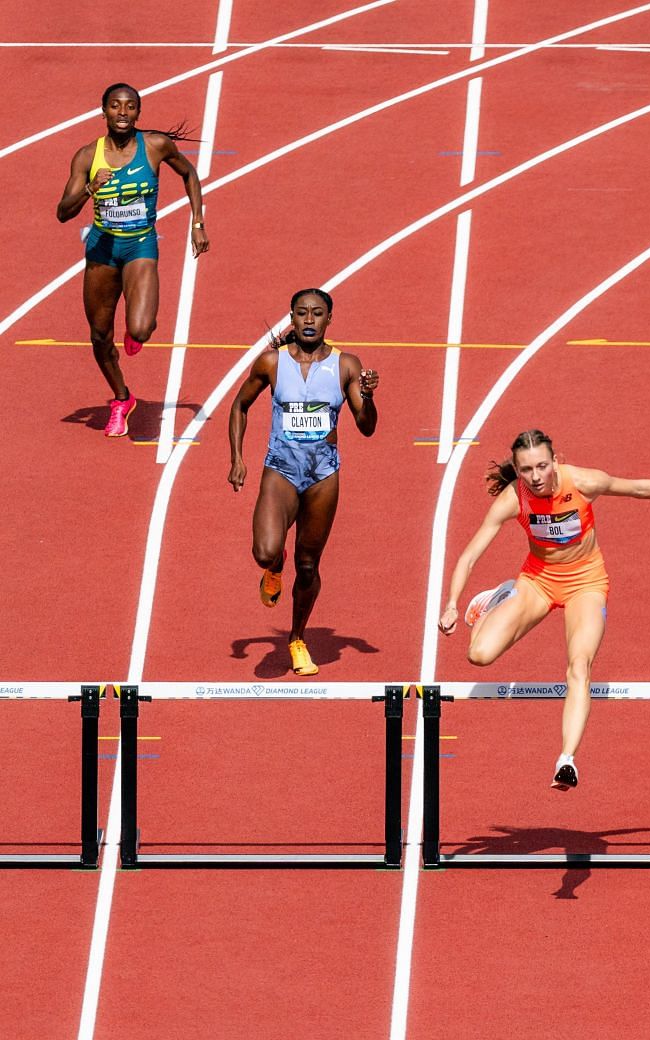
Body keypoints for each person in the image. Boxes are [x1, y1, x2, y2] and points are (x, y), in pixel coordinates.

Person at [440, 429, 650, 790]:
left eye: (543, 466)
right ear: (517, 468)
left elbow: (639, 488)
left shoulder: (584, 482)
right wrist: (452, 602)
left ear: (555, 460)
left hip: (586, 584)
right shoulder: (514, 499)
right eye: (527, 469)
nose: (537, 477)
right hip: (537, 581)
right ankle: (498, 598)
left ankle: (566, 759)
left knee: (579, 666)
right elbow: (470, 554)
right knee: (478, 655)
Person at [227, 290, 377, 676]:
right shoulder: (272, 363)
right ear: (291, 318)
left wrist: (370, 397)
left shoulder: (346, 365)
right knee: (264, 550)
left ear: (330, 319)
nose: (309, 320)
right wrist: (238, 458)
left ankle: (296, 638)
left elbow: (367, 427)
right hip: (281, 470)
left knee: (308, 566)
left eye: (317, 314)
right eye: (301, 313)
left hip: (323, 476)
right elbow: (240, 405)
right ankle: (274, 568)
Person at [54, 83, 208, 437]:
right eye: (115, 106)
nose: (122, 113)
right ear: (103, 111)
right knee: (98, 336)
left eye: (130, 107)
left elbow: (189, 174)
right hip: (102, 250)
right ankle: (122, 398)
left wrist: (197, 222)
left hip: (139, 245)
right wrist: (91, 188)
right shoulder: (85, 156)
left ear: (138, 113)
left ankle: (135, 330)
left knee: (140, 329)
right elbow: (63, 212)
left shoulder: (154, 146)